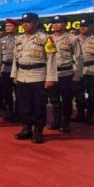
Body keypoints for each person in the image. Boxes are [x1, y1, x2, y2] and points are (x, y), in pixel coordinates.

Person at [11, 12, 57, 144]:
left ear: (36, 22)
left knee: (38, 106)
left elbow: (51, 59)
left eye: (28, 21)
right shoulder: (19, 39)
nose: (24, 24)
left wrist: (50, 78)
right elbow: (15, 58)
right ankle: (26, 128)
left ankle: (38, 131)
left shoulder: (46, 38)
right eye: (23, 22)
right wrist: (14, 74)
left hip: (38, 75)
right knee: (24, 105)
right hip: (22, 75)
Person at [48, 15, 83, 133]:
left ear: (65, 24)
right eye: (53, 23)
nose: (55, 25)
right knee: (54, 100)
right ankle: (56, 121)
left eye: (58, 22)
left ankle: (66, 123)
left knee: (67, 100)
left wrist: (77, 74)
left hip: (66, 73)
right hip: (52, 74)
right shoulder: (48, 38)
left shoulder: (72, 39)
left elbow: (79, 57)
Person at [0, 19, 19, 122]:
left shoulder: (20, 38)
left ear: (16, 27)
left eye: (10, 26)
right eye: (6, 26)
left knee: (19, 93)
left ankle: (19, 113)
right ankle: (9, 112)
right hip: (5, 69)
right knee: (6, 92)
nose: (8, 28)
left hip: (18, 69)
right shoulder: (2, 40)